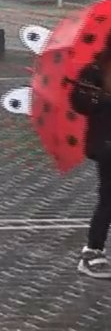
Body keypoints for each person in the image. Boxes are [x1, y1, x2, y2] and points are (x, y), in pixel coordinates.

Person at [73, 44, 111, 278]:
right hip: (107, 144)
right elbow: (79, 102)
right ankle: (92, 251)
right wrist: (103, 99)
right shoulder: (95, 71)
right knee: (108, 198)